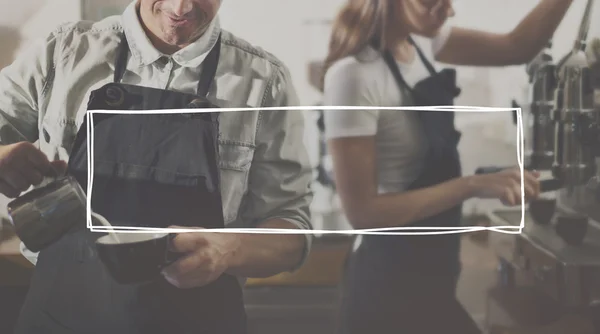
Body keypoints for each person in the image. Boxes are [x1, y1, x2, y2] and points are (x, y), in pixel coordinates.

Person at [0, 0, 313, 333]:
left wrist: (230, 249)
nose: (181, 8)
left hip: (198, 322)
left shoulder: (264, 81)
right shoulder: (63, 52)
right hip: (59, 320)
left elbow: (292, 229)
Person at [321, 0, 574, 333]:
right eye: (433, 3)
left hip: (437, 274)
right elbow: (363, 213)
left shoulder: (425, 41)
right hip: (387, 288)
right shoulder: (353, 75)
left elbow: (518, 46)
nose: (449, 12)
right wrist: (471, 186)